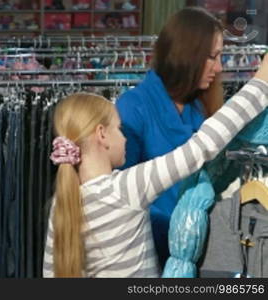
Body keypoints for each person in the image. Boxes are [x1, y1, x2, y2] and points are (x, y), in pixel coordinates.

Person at [42, 53, 268, 277]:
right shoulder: (126, 188)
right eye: (119, 129)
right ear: (101, 134)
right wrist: (261, 83)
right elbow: (201, 146)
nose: (125, 137)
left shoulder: (61, 202)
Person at [115, 7, 225, 267]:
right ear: (186, 55)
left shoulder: (201, 104)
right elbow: (122, 197)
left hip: (201, 253)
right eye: (212, 57)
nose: (219, 67)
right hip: (149, 258)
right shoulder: (133, 107)